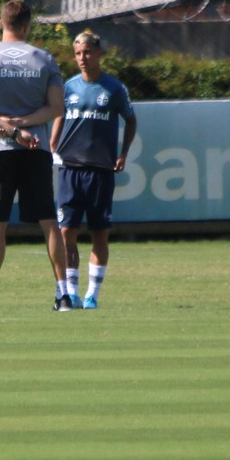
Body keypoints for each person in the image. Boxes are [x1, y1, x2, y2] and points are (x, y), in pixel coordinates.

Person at [0, 0, 74, 312]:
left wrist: (9, 129)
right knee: (48, 220)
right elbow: (56, 108)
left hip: (0, 150)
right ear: (27, 26)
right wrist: (24, 125)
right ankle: (63, 295)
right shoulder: (44, 59)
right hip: (36, 148)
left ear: (2, 23)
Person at [49, 31, 137, 309]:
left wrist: (123, 153)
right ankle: (72, 292)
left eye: (87, 52)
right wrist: (52, 144)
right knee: (66, 233)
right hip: (69, 169)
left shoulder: (114, 88)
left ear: (98, 53)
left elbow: (131, 120)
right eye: (77, 53)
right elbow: (60, 115)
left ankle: (92, 296)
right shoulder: (69, 87)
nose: (82, 58)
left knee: (99, 233)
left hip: (100, 170)